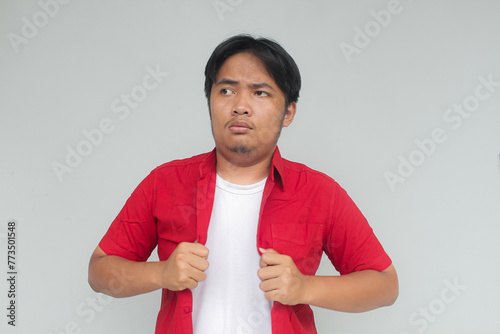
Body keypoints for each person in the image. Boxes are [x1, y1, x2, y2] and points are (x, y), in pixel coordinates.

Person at [88, 34, 398, 334]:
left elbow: (384, 285)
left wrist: (305, 287)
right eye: (226, 91)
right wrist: (160, 272)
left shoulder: (319, 192)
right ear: (209, 100)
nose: (240, 106)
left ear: (288, 111)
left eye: (260, 92)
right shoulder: (165, 182)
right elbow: (99, 272)